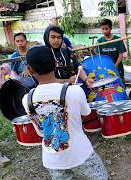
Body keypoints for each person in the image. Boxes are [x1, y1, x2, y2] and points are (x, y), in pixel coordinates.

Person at [22, 46, 108, 180]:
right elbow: (86, 112)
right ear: (56, 63)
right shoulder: (74, 91)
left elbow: (41, 131)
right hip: (80, 153)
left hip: (52, 159)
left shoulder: (26, 99)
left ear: (29, 70)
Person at [95, 18, 127, 83]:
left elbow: (121, 56)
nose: (104, 31)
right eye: (102, 29)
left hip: (118, 69)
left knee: (120, 88)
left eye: (106, 29)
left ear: (111, 28)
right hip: (105, 70)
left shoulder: (118, 40)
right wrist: (92, 50)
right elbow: (98, 57)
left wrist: (115, 66)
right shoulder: (100, 41)